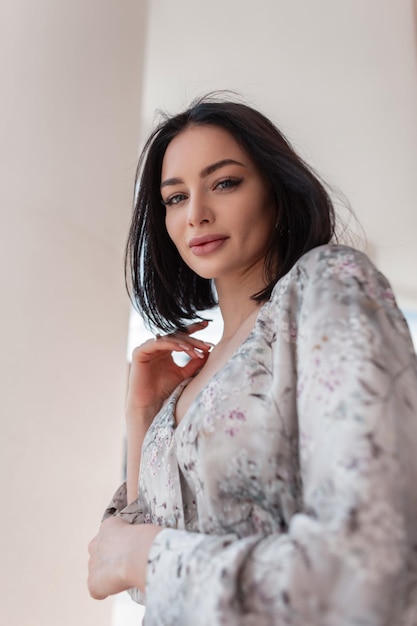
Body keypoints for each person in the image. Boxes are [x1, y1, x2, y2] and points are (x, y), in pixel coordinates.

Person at [87, 95, 417, 625]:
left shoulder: (325, 287)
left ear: (276, 191)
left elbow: (371, 565)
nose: (196, 214)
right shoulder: (186, 382)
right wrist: (146, 415)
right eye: (175, 198)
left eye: (224, 183)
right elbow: (134, 581)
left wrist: (142, 555)